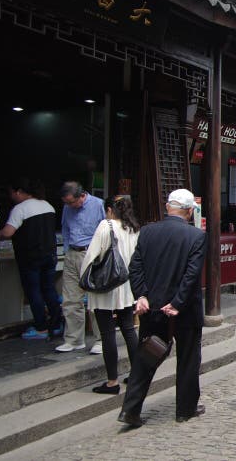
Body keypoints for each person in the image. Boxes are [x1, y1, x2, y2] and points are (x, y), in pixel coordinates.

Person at [117, 189, 206, 427]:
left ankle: (130, 410)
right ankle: (185, 409)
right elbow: (191, 274)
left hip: (152, 307)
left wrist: (141, 296)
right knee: (188, 359)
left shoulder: (147, 232)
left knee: (145, 358)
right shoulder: (195, 236)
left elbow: (135, 267)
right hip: (184, 310)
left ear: (168, 207)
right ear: (189, 212)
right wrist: (177, 303)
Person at [81, 195, 140, 395]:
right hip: (126, 286)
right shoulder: (133, 228)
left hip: (106, 285)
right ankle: (136, 374)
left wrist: (84, 279)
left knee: (107, 333)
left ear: (109, 209)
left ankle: (112, 381)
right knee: (129, 329)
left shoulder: (106, 226)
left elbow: (91, 255)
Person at [0, 178, 62, 340]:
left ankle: (40, 326)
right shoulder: (48, 206)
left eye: (12, 193)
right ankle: (56, 324)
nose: (11, 196)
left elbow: (8, 233)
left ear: (19, 192)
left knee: (33, 291)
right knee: (49, 289)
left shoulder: (20, 209)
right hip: (50, 255)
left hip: (30, 257)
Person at [56, 182, 104, 354]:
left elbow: (106, 230)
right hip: (72, 253)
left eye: (72, 202)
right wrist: (67, 248)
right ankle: (74, 339)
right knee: (70, 298)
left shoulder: (98, 205)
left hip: (90, 253)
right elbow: (66, 229)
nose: (69, 206)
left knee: (95, 300)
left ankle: (101, 339)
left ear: (82, 195)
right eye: (66, 203)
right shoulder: (67, 208)